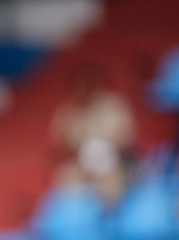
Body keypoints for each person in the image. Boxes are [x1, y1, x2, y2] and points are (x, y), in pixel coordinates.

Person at [50, 66, 136, 202]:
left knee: (111, 182)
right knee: (67, 177)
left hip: (112, 162)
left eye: (87, 86)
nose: (83, 90)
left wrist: (104, 152)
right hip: (78, 162)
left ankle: (109, 214)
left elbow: (126, 139)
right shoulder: (67, 110)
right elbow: (59, 144)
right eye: (79, 86)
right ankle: (74, 217)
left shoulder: (114, 106)